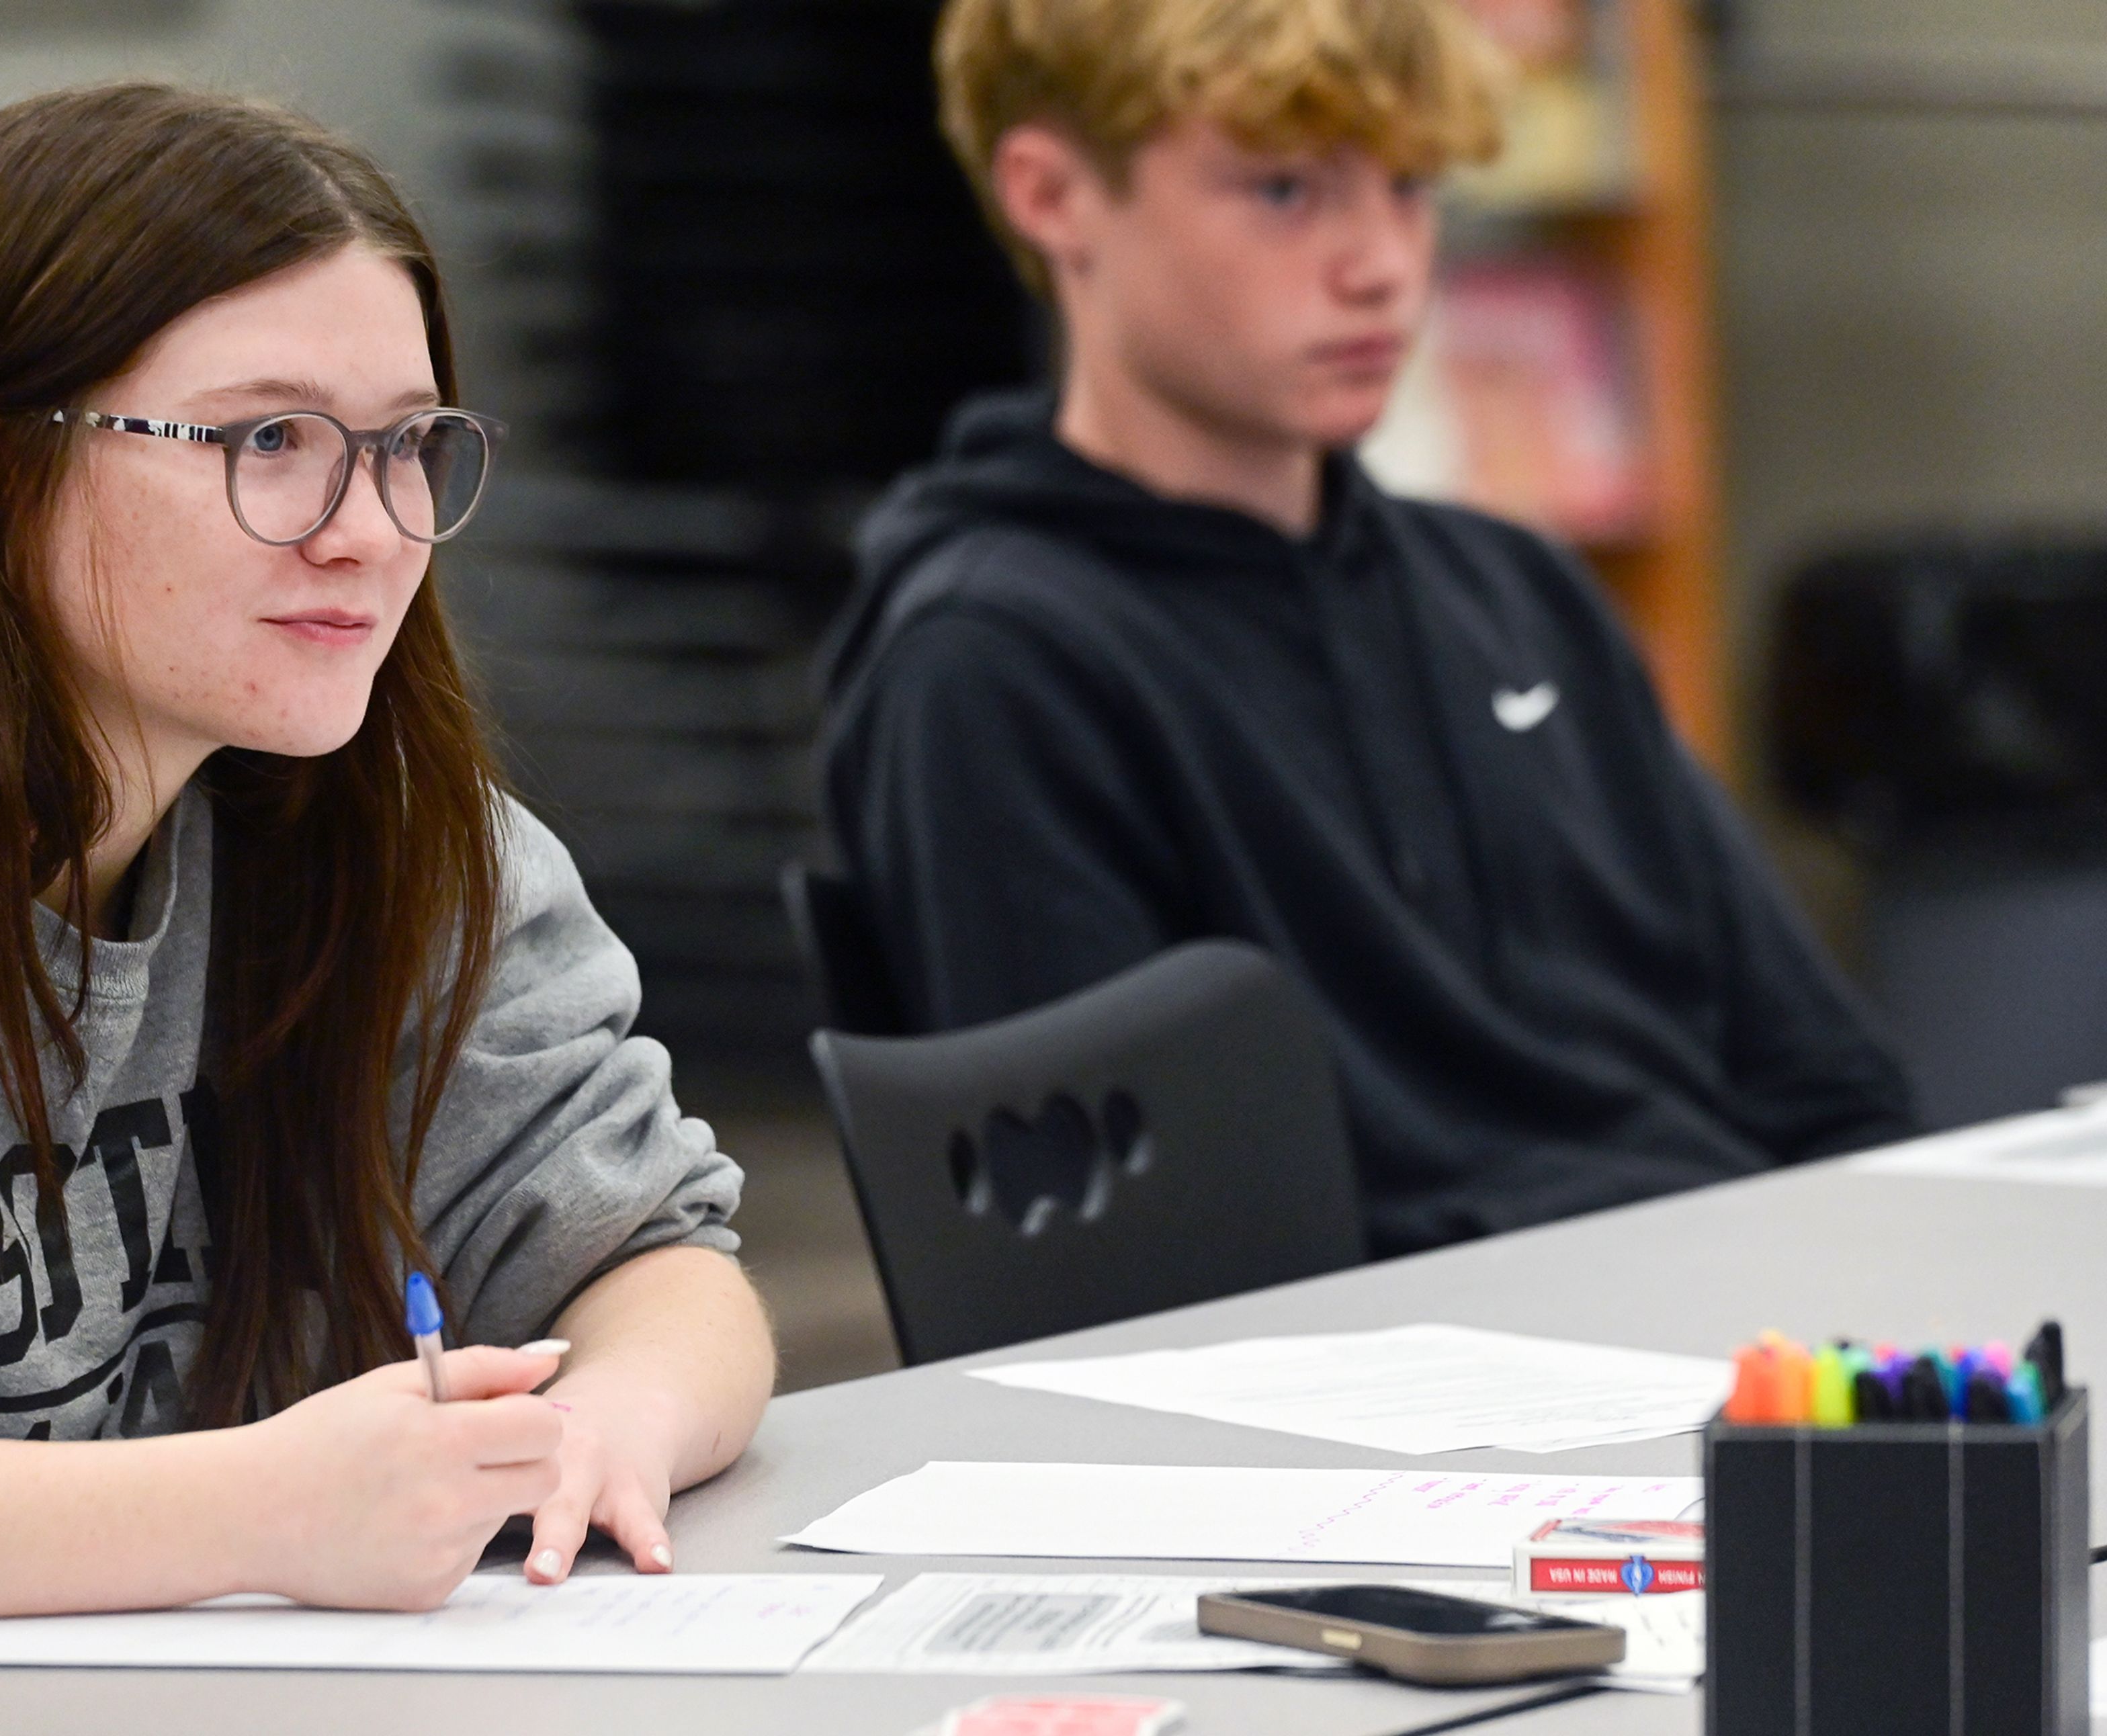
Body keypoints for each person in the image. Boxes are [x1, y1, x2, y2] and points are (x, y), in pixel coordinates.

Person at [0, 83, 773, 1652]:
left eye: (407, 448)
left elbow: (659, 1256)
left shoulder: (377, 823)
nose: (368, 532)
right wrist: (262, 1508)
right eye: (270, 441)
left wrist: (613, 1426)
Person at [818, 0, 1916, 1256]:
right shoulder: (994, 665)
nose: (1384, 264)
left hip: (1734, 1326)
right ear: (1053, 195)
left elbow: (1834, 1092)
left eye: (1410, 186)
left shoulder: (1522, 595)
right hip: (1405, 1403)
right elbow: (1111, 1264)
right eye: (1287, 192)